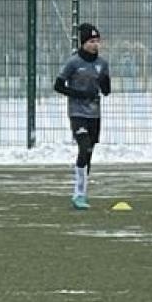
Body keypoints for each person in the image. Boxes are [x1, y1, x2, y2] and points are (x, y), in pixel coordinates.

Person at [53, 23, 112, 210]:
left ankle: (83, 193)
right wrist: (79, 94)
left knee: (89, 152)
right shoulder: (74, 62)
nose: (95, 45)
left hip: (94, 115)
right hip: (77, 113)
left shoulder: (102, 64)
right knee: (84, 145)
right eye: (91, 41)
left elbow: (106, 91)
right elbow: (58, 86)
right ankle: (78, 194)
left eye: (97, 41)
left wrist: (105, 82)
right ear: (83, 43)